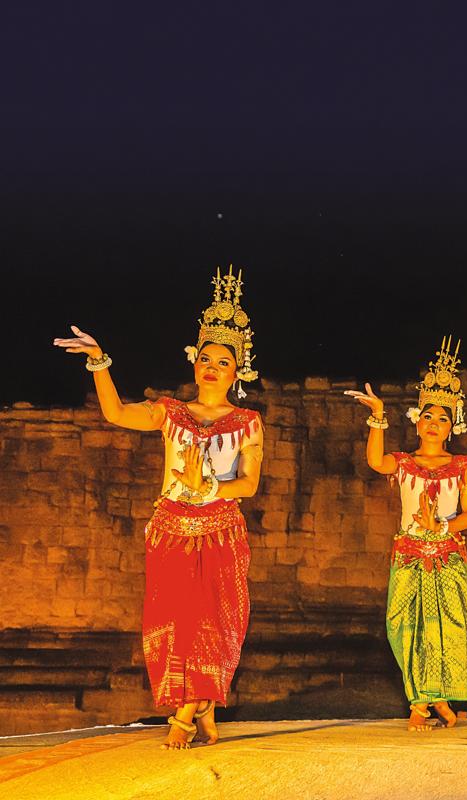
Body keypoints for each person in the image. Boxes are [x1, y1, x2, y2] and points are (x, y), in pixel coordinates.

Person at [53, 266, 265, 749]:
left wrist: (209, 480)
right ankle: (203, 707)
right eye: (205, 358)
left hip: (220, 531)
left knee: (214, 623)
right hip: (171, 528)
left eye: (223, 362)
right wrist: (100, 362)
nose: (212, 367)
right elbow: (115, 414)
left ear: (238, 371)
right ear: (194, 361)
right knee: (175, 625)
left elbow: (248, 483)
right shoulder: (170, 412)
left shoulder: (249, 421)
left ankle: (185, 716)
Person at [345, 337, 467, 731]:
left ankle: (433, 702)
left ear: (452, 427)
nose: (434, 424)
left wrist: (442, 525)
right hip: (408, 554)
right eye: (428, 417)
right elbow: (374, 460)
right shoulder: (402, 463)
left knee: (450, 628)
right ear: (416, 420)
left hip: (448, 555)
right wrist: (378, 417)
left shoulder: (463, 465)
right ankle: (422, 699)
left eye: (443, 419)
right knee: (403, 625)